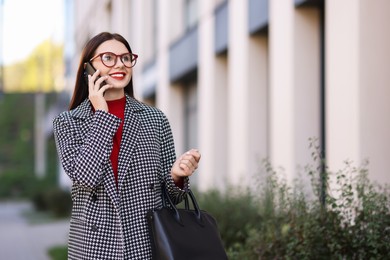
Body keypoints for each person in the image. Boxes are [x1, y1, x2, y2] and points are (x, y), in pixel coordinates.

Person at [53, 32, 201, 259]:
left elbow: (172, 198)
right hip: (94, 249)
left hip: (146, 245)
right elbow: (85, 176)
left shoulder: (154, 119)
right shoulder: (68, 122)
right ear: (88, 69)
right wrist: (101, 113)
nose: (120, 64)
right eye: (108, 58)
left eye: (125, 58)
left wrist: (176, 177)